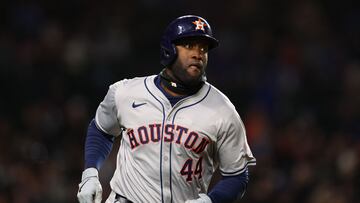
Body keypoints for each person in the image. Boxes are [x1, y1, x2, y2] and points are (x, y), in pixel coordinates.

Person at [77, 15, 256, 203]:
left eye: (203, 48)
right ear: (169, 49)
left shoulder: (223, 110)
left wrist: (210, 201)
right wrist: (90, 173)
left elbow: (237, 176)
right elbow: (101, 130)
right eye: (189, 46)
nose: (198, 54)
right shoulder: (125, 92)